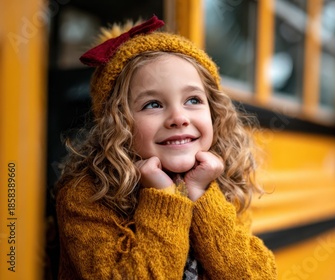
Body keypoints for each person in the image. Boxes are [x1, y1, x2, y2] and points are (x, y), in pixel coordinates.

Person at [55, 15, 277, 279]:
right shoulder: (86, 197)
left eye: (193, 100)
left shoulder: (222, 184)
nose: (179, 118)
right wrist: (164, 201)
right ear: (117, 123)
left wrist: (201, 195)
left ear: (215, 112)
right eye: (153, 105)